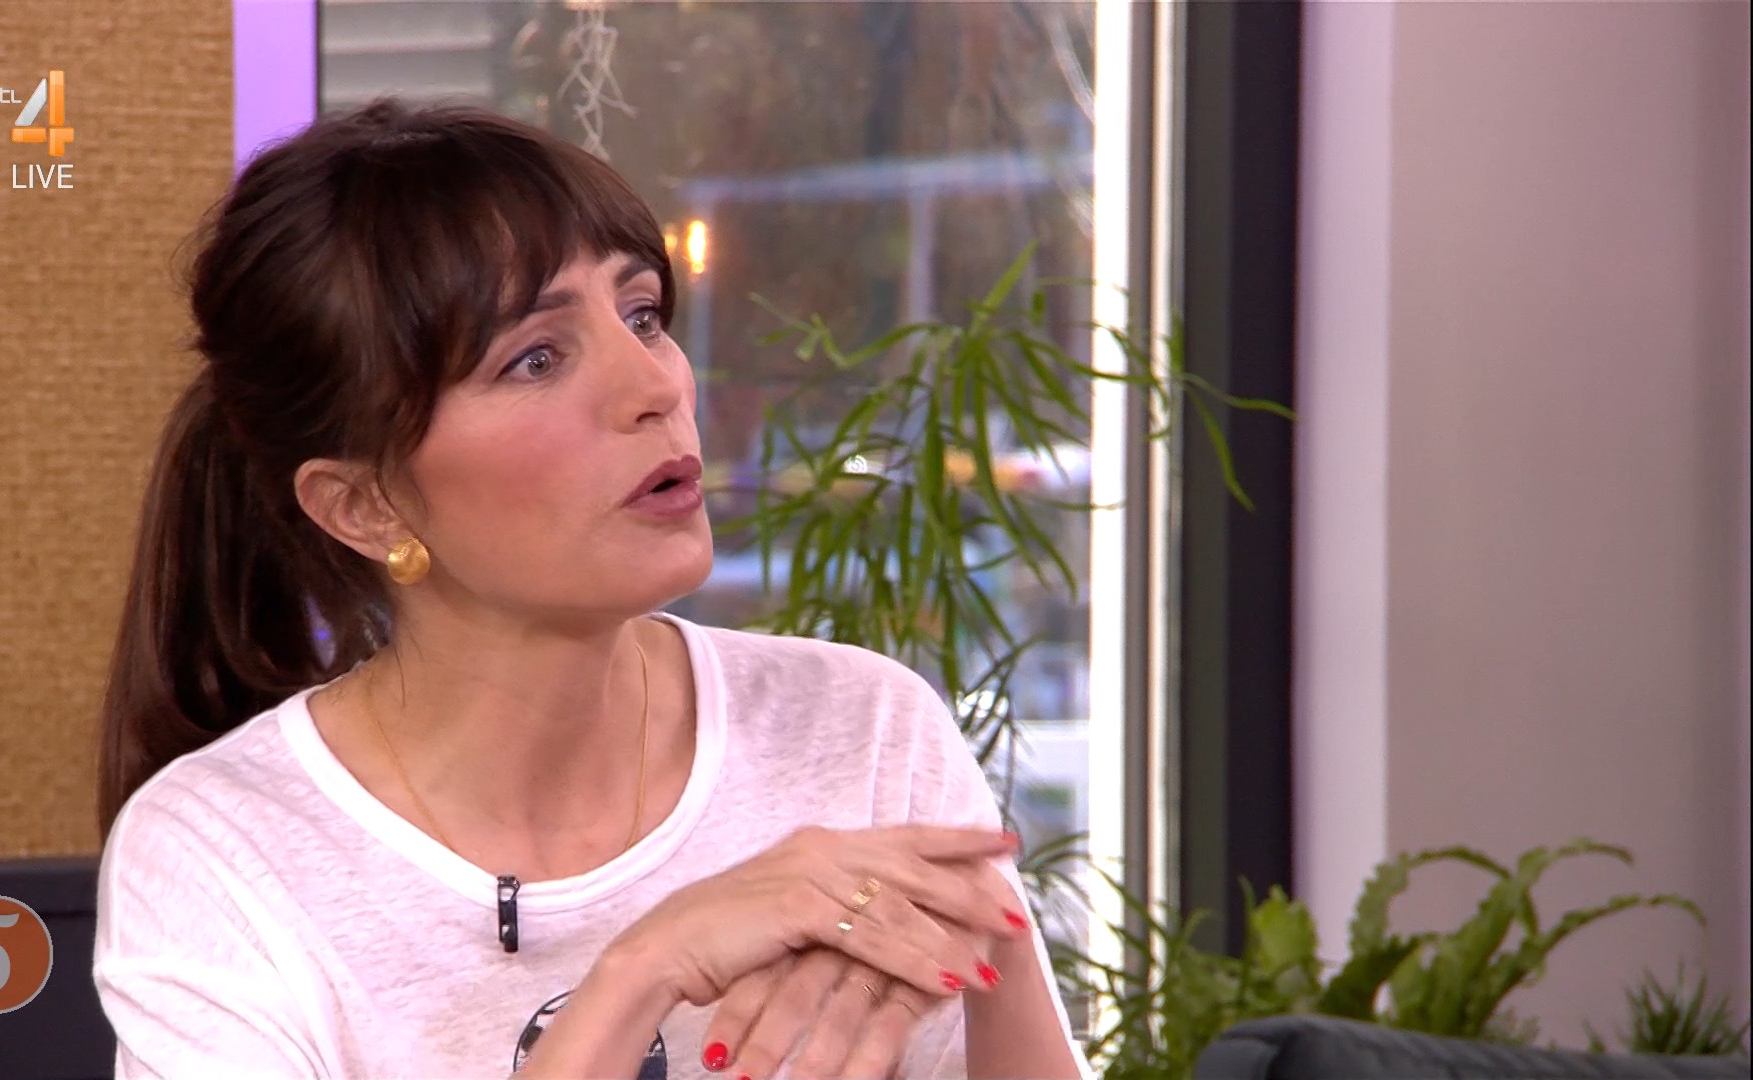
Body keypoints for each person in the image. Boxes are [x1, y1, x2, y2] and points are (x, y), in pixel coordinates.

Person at [91, 98, 1088, 1080]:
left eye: (643, 315)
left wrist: (982, 945)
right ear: (365, 507)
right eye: (535, 359)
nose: (656, 386)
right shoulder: (223, 854)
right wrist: (643, 970)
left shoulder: (862, 732)